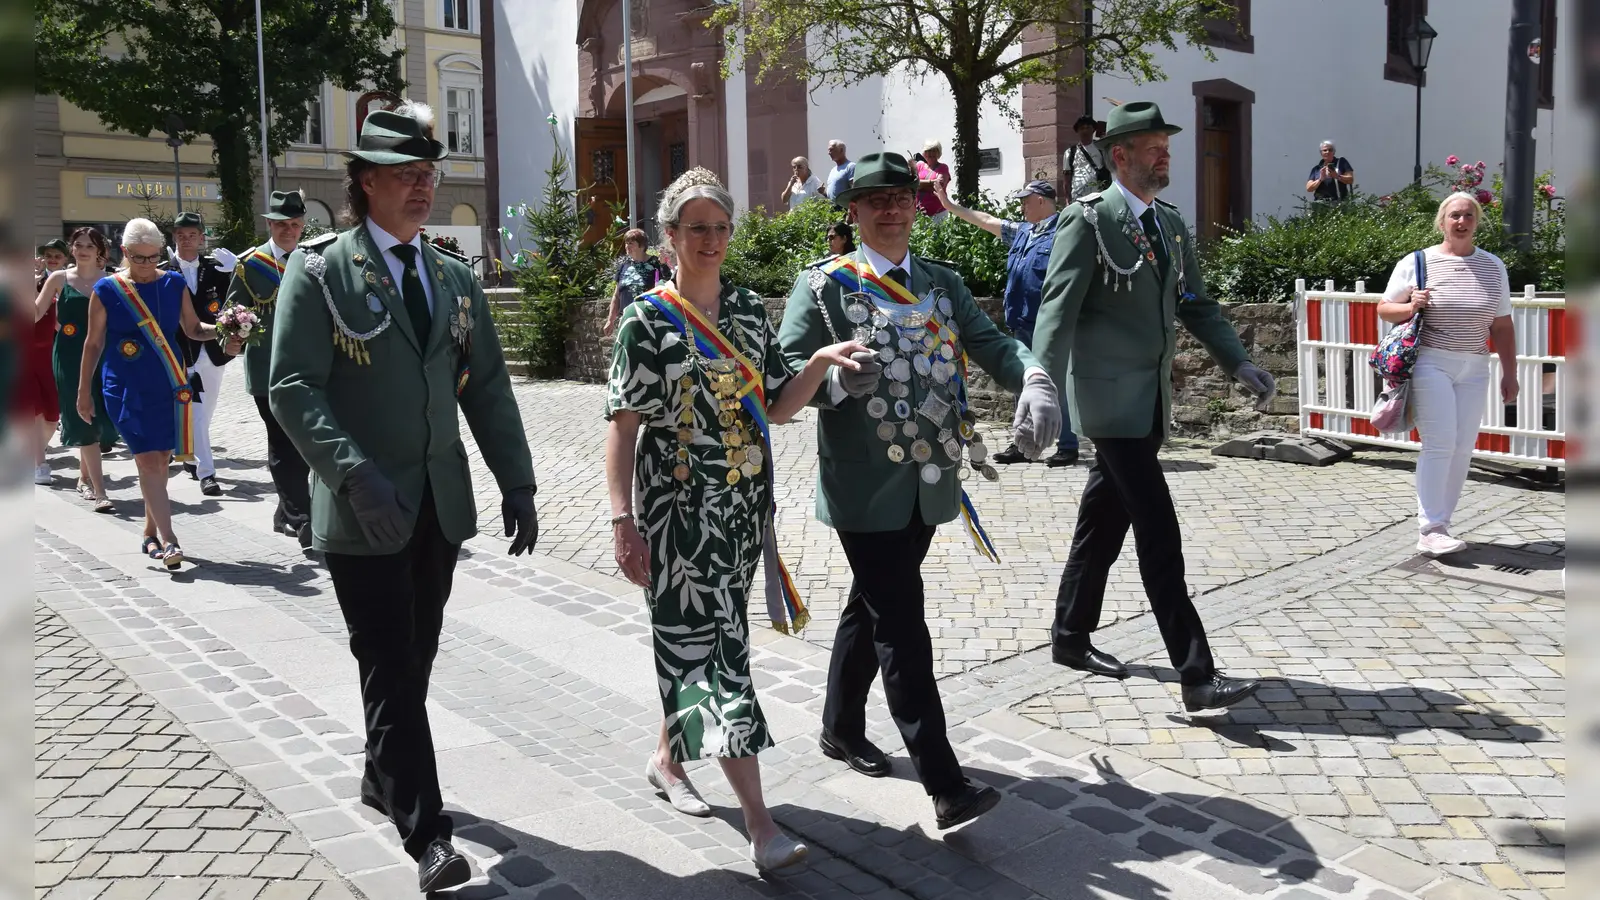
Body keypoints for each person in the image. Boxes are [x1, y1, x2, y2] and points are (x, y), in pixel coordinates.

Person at [269, 108, 538, 895]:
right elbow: (291, 386)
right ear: (365, 184)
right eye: (403, 176)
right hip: (364, 509)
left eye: (428, 175)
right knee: (388, 664)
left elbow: (486, 388)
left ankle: (380, 775)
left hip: (437, 507)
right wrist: (352, 473)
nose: (421, 188)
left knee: (413, 659)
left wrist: (515, 478)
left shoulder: (451, 275)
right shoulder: (319, 271)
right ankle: (429, 835)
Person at [778, 151, 1062, 830]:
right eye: (875, 200)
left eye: (902, 197)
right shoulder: (823, 288)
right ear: (852, 210)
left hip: (932, 480)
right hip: (864, 486)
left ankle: (841, 726)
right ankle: (944, 781)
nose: (890, 209)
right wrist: (838, 383)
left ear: (916, 205)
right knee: (903, 625)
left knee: (871, 607)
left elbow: (992, 342)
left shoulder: (941, 283)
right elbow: (786, 368)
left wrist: (1031, 375)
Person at [606, 167, 866, 873]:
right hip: (676, 521)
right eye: (697, 229)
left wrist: (816, 361)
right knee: (715, 658)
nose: (712, 241)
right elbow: (624, 428)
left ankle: (668, 757)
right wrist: (622, 520)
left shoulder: (750, 310)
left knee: (709, 642)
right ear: (669, 238)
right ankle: (760, 826)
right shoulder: (646, 319)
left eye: (721, 228)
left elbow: (778, 406)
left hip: (743, 516)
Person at [1033, 101, 1275, 711]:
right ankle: (1196, 673)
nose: (1166, 155)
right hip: (1111, 404)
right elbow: (1057, 310)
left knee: (1101, 526)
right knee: (1159, 533)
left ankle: (1069, 636)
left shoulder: (1168, 224)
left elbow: (1195, 303)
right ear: (1120, 156)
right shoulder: (1087, 222)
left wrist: (1236, 360)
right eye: (1153, 147)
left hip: (1149, 404)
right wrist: (1040, 384)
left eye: (1166, 145)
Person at [79, 218, 238, 568]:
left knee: (160, 459)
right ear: (124, 253)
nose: (147, 266)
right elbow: (92, 343)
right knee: (148, 460)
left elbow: (194, 330)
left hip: (168, 382)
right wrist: (83, 393)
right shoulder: (108, 289)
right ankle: (170, 540)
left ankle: (150, 533)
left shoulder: (174, 284)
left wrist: (230, 331)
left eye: (153, 258)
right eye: (139, 258)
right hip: (124, 386)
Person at [1378, 192, 1517, 557]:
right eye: (1454, 215)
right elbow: (1384, 309)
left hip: (1475, 365)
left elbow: (1502, 325)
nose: (1461, 221)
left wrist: (1510, 373)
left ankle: (1443, 523)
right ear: (1442, 222)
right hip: (1431, 361)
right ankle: (1431, 527)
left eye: (1468, 215)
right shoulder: (1419, 261)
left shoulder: (1493, 266)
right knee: (1440, 442)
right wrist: (1411, 305)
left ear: (1477, 222)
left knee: (1462, 447)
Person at [933, 179, 1081, 467]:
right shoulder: (1023, 232)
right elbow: (986, 220)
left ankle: (1068, 445)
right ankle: (1022, 444)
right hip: (1021, 319)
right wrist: (949, 206)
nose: (1022, 205)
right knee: (1021, 379)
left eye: (1027, 200)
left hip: (1050, 323)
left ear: (1042, 200)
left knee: (1056, 383)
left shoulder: (1065, 230)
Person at [227, 190, 312, 545]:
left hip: (310, 367)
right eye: (281, 224)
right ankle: (303, 518)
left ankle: (285, 510)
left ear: (302, 225)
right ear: (270, 225)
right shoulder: (251, 263)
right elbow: (230, 313)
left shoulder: (313, 260)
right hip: (268, 370)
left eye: (294, 224)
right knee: (282, 441)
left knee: (305, 440)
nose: (288, 230)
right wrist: (231, 335)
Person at [37, 229, 119, 510]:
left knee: (101, 422)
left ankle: (83, 479)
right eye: (78, 245)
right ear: (72, 249)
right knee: (82, 418)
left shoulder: (109, 281)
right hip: (69, 357)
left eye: (90, 246)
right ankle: (100, 492)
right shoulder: (58, 278)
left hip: (103, 355)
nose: (83, 250)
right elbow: (34, 313)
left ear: (100, 251)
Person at [161, 212, 237, 496]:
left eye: (192, 234)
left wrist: (235, 271)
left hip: (214, 351)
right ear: (174, 237)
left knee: (205, 411)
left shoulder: (216, 267)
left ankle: (187, 454)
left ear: (201, 238)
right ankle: (207, 472)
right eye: (181, 234)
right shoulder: (164, 271)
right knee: (195, 409)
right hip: (181, 352)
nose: (187, 239)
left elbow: (234, 300)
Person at [23, 240, 70, 483]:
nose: (51, 259)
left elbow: (62, 324)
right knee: (33, 411)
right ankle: (38, 463)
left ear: (65, 259)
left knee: (52, 416)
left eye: (57, 256)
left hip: (50, 356)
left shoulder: (64, 283)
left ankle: (32, 454)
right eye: (47, 255)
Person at [603, 228, 671, 336]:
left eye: (631, 243)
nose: (627, 246)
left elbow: (669, 283)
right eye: (626, 243)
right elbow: (616, 296)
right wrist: (610, 320)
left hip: (648, 320)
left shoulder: (655, 262)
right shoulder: (624, 266)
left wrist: (663, 264)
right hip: (626, 319)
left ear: (642, 245)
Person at [1063, 115, 1110, 201]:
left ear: (1093, 130)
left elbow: (1110, 167)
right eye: (1081, 128)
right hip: (1077, 197)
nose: (1085, 131)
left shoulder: (1101, 148)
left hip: (1099, 196)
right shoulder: (1069, 153)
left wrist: (1107, 143)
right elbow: (1067, 179)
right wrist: (1067, 199)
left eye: (1088, 127)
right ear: (1077, 131)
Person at [914, 140, 952, 221]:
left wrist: (919, 184)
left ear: (938, 153)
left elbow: (939, 185)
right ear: (924, 153)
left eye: (934, 151)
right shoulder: (919, 165)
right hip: (920, 212)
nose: (931, 153)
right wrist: (931, 182)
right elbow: (911, 183)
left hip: (938, 212)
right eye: (928, 151)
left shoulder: (943, 167)